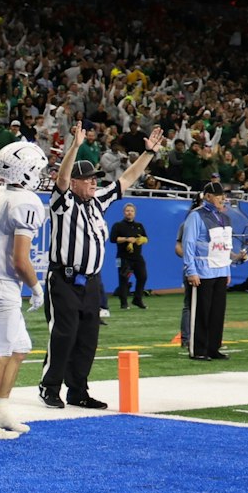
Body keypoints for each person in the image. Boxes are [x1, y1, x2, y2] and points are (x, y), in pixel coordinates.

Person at [38, 125, 162, 411]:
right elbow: (62, 178)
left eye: (95, 179)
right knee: (63, 334)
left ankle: (78, 391)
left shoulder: (98, 202)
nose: (94, 183)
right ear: (76, 183)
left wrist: (149, 153)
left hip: (92, 281)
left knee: (87, 338)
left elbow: (127, 178)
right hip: (64, 279)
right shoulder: (63, 202)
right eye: (88, 179)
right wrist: (75, 146)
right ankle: (50, 386)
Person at [0, 140, 48, 440]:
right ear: (26, 171)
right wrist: (36, 287)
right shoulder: (25, 202)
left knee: (19, 347)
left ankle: (0, 408)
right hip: (2, 284)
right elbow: (20, 259)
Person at [183, 182, 238, 361]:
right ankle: (198, 349)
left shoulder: (223, 218)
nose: (223, 198)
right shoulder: (196, 216)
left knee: (217, 312)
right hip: (202, 271)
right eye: (218, 195)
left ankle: (214, 348)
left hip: (220, 270)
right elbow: (189, 244)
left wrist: (228, 268)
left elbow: (224, 245)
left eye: (224, 194)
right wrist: (191, 270)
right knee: (201, 312)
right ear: (207, 196)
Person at [110, 202, 149, 309]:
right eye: (127, 211)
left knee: (143, 277)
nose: (129, 213)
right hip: (123, 257)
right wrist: (127, 240)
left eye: (131, 211)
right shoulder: (118, 225)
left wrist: (142, 240)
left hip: (137, 257)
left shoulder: (139, 226)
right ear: (124, 212)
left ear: (135, 213)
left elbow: (146, 238)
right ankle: (124, 303)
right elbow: (113, 239)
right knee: (124, 279)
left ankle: (137, 299)